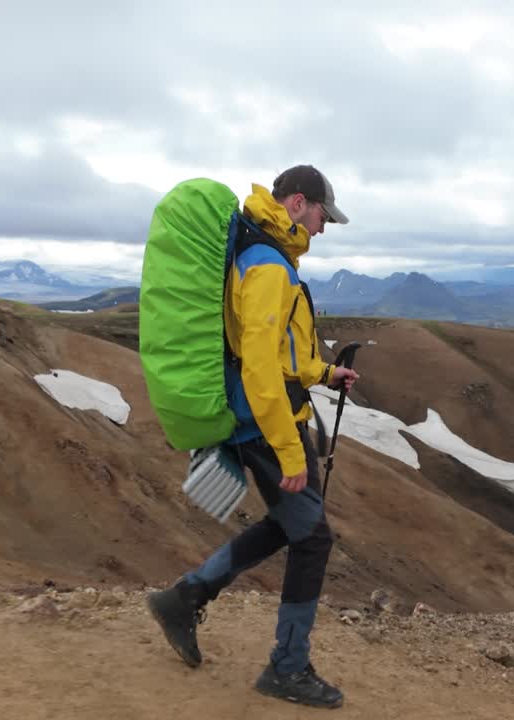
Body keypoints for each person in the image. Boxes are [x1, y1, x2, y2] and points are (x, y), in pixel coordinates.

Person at [148, 165, 359, 709]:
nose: (322, 227)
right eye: (320, 214)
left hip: (271, 418)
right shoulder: (268, 265)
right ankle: (286, 668)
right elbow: (259, 367)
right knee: (311, 538)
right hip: (268, 425)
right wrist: (289, 449)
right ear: (295, 202)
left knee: (291, 527)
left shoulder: (269, 256)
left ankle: (185, 597)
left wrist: (322, 373)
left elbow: (279, 352)